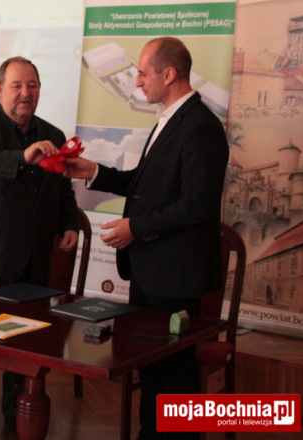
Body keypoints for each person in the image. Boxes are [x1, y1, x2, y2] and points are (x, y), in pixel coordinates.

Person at [65, 37, 229, 440]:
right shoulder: (170, 119)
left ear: (169, 74)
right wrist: (93, 171)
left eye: (142, 73)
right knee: (154, 368)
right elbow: (144, 186)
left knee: (173, 376)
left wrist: (134, 228)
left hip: (174, 276)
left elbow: (197, 205)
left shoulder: (201, 127)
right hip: (150, 271)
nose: (136, 81)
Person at [0, 56, 79, 432]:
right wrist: (23, 157)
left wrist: (69, 222)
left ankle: (15, 407)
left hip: (34, 255)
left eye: (32, 85)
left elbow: (62, 188)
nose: (25, 93)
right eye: (17, 86)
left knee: (25, 337)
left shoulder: (53, 133)